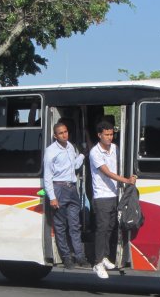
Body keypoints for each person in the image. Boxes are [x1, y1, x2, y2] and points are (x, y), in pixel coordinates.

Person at [89, 120, 136, 279]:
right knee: (101, 230)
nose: (110, 137)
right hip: (101, 196)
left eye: (111, 134)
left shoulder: (115, 148)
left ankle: (105, 257)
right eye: (106, 135)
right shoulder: (95, 152)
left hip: (114, 194)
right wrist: (126, 180)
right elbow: (106, 172)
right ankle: (97, 263)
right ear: (99, 135)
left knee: (111, 227)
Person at [43, 122, 88, 269]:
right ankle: (66, 257)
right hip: (59, 189)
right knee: (61, 226)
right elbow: (48, 176)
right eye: (61, 133)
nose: (64, 134)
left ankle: (80, 256)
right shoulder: (50, 151)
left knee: (75, 224)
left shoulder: (70, 147)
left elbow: (74, 166)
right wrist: (52, 197)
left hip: (72, 188)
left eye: (66, 131)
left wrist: (81, 155)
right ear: (55, 136)